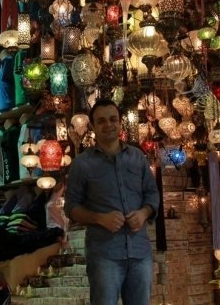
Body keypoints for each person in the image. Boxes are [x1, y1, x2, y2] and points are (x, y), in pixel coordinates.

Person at [64, 99, 160, 305]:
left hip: (140, 253)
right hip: (104, 255)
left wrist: (143, 213)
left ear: (120, 123)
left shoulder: (137, 158)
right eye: (101, 121)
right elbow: (70, 207)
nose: (108, 125)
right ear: (93, 127)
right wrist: (99, 218)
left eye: (113, 119)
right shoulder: (82, 164)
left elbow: (152, 194)